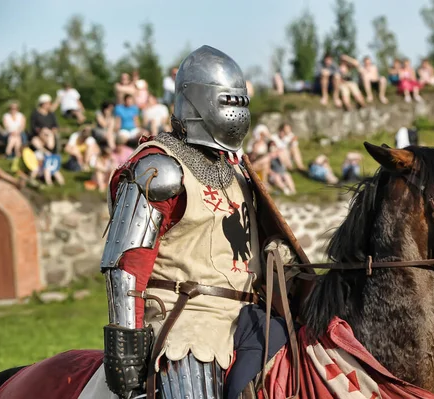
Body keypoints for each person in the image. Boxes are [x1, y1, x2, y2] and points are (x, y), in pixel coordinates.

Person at [98, 45, 296, 399]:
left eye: (240, 102)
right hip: (186, 318)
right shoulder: (159, 168)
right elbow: (125, 267)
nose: (236, 112)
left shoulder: (236, 171)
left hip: (248, 316)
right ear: (197, 101)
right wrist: (125, 352)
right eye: (227, 102)